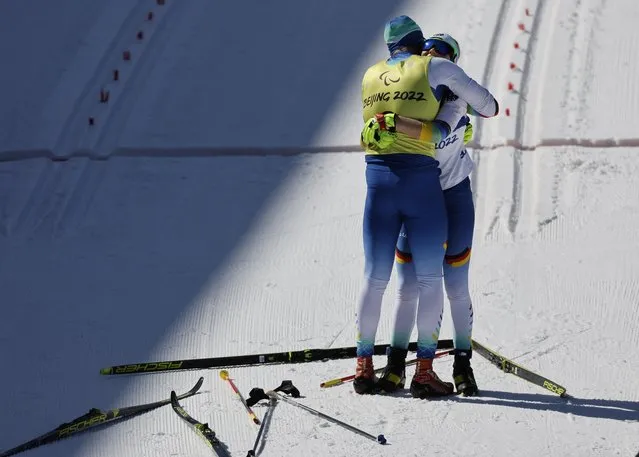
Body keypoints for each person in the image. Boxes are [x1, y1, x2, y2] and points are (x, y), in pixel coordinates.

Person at [355, 16, 498, 399]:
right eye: (429, 47)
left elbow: (441, 128)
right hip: (422, 193)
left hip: (448, 196)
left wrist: (394, 125)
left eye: (442, 51)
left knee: (453, 285)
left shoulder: (453, 98)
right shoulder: (421, 87)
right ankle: (399, 365)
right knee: (407, 286)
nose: (432, 53)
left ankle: (461, 363)